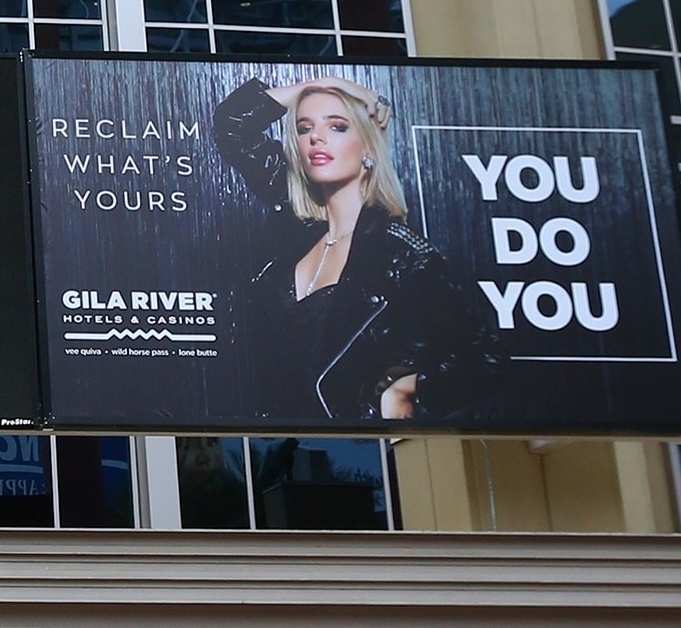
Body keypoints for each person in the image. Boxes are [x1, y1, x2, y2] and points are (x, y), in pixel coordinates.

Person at [207, 75, 492, 425]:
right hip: (270, 440)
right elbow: (232, 124)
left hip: (345, 449)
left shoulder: (402, 255)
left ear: (369, 149)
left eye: (338, 126)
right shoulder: (293, 223)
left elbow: (485, 357)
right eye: (303, 128)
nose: (316, 137)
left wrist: (403, 390)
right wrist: (325, 83)